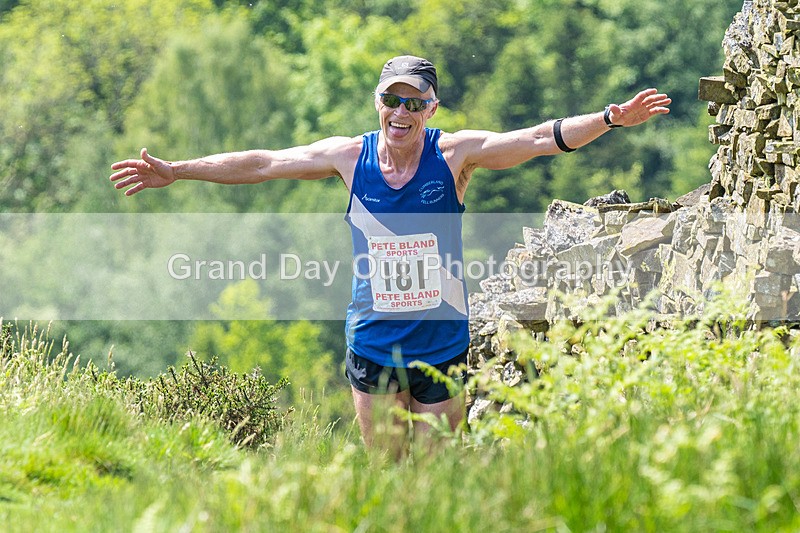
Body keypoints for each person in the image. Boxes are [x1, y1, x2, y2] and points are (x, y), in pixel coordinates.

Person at [110, 55, 671, 450]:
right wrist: (177, 172)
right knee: (388, 474)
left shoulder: (454, 155)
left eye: (414, 102)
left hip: (441, 340)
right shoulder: (350, 157)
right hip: (374, 342)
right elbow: (263, 162)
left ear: (431, 107)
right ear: (378, 102)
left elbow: (533, 139)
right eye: (391, 100)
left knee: (436, 475)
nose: (400, 112)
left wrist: (609, 118)